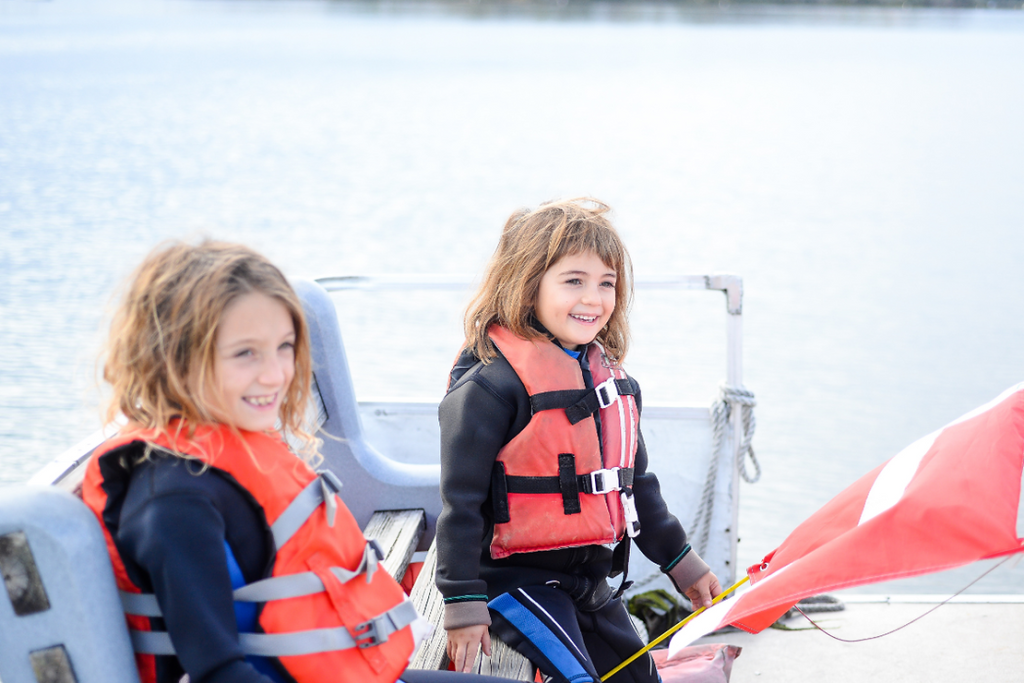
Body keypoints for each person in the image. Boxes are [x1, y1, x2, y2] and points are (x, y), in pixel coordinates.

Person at [81, 240, 503, 683]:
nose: (276, 373)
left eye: (284, 347)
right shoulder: (173, 500)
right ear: (174, 358)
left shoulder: (228, 451)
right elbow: (218, 672)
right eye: (246, 353)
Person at [435, 199, 722, 683]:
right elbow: (459, 503)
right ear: (527, 285)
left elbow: (637, 486)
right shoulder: (489, 387)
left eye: (606, 284)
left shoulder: (606, 380)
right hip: (514, 584)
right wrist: (463, 602)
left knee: (640, 678)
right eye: (574, 281)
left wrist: (684, 564)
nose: (594, 298)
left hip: (588, 582)